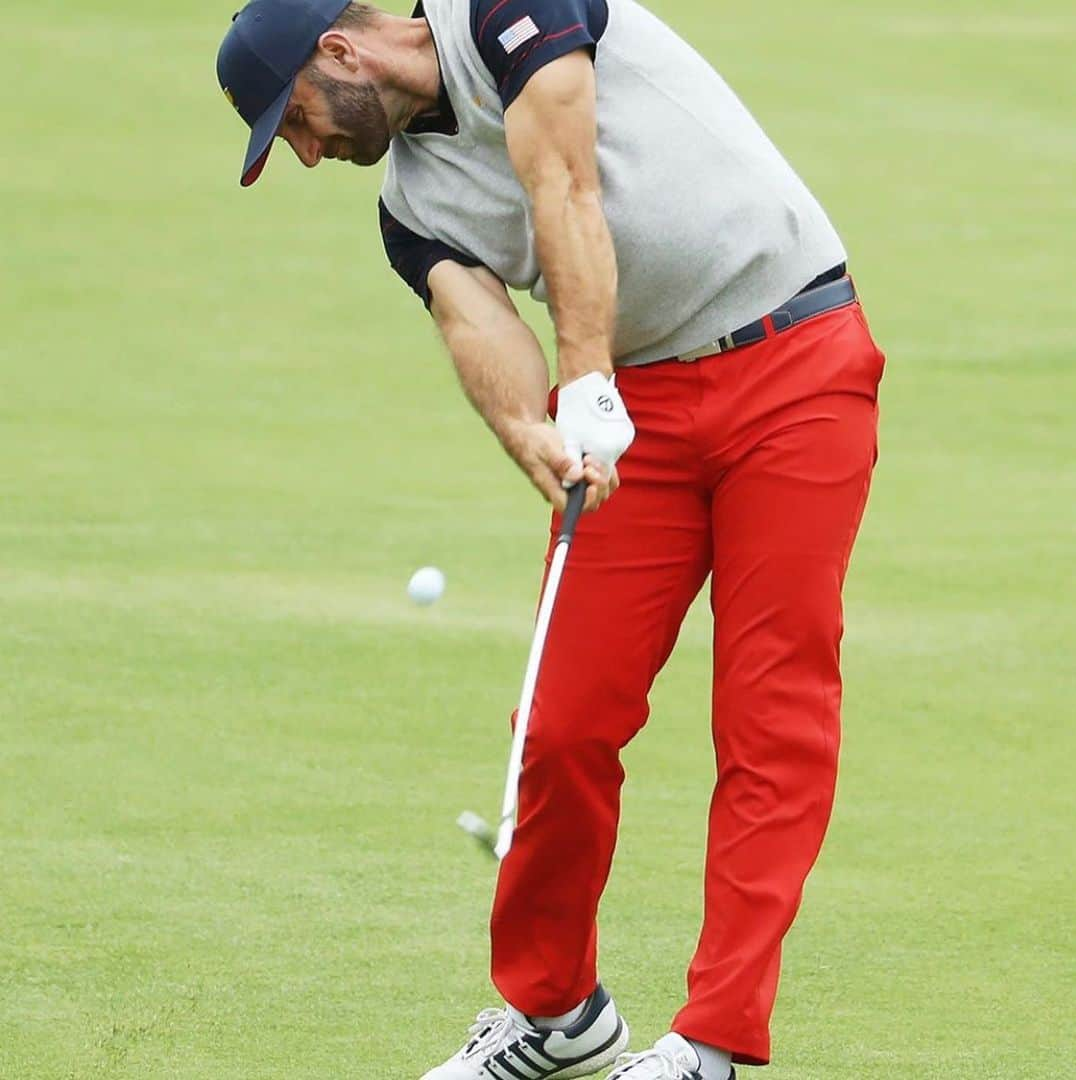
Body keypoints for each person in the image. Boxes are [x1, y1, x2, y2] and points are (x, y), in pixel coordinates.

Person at [215, 0, 886, 1076]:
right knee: (563, 721)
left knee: (772, 716)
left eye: (292, 121)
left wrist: (582, 379)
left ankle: (712, 1039)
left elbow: (563, 179)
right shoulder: (409, 206)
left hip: (792, 357)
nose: (304, 153)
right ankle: (557, 1015)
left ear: (338, 50)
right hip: (635, 417)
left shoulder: (505, 12)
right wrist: (534, 429)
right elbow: (472, 316)